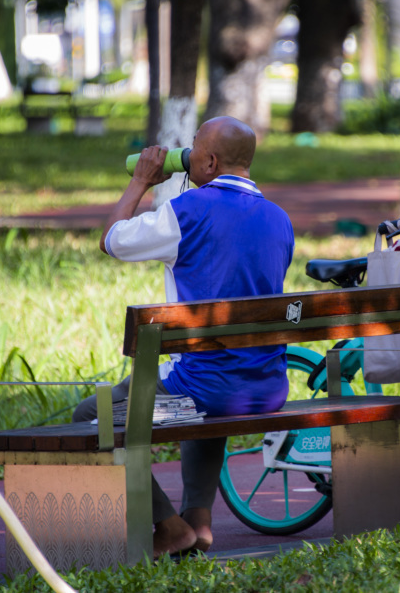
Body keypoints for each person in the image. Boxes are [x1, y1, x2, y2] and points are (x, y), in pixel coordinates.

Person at [72, 116, 295, 559]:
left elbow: (112, 240)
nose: (187, 152)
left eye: (193, 147)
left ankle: (170, 526)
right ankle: (199, 520)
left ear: (209, 161)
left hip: (207, 388)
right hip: (268, 388)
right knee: (203, 387)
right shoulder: (279, 219)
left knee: (88, 416)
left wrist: (140, 182)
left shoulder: (189, 212)